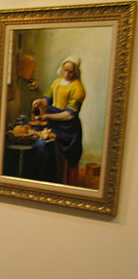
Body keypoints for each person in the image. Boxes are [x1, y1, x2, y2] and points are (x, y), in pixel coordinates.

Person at [31, 55, 86, 185]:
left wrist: (48, 116)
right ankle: (51, 179)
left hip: (68, 129)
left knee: (65, 158)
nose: (66, 74)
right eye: (65, 70)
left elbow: (69, 115)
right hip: (54, 124)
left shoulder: (78, 88)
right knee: (49, 150)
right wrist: (40, 101)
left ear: (75, 72)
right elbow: (48, 99)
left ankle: (65, 184)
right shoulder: (56, 82)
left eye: (70, 71)